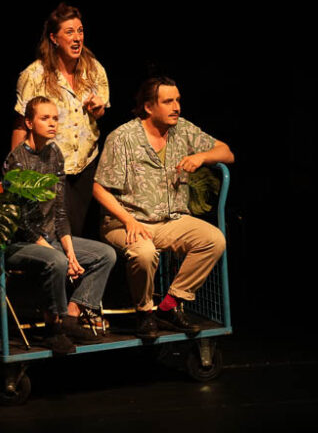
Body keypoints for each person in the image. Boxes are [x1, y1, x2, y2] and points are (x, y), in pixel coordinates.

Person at [92, 76, 234, 338]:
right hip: (126, 221)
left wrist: (201, 157)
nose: (176, 107)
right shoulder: (123, 137)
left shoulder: (182, 130)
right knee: (145, 253)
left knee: (213, 239)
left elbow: (226, 152)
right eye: (168, 101)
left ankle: (169, 306)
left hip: (170, 220)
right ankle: (144, 313)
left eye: (178, 100)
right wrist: (129, 221)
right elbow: (99, 188)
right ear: (148, 107)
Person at [4, 96, 117, 354]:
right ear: (29, 123)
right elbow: (21, 221)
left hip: (51, 237)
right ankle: (53, 329)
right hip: (21, 243)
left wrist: (70, 252)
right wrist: (61, 256)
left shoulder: (54, 153)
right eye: (45, 118)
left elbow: (60, 210)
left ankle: (70, 318)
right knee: (57, 261)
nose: (53, 123)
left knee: (105, 255)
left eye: (55, 118)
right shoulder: (17, 160)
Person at [12, 3, 110, 238]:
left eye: (80, 31)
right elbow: (21, 125)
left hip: (85, 168)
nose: (77, 38)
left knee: (82, 239)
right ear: (54, 38)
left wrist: (98, 109)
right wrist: (17, 172)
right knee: (55, 237)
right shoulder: (34, 75)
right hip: (49, 167)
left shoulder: (93, 70)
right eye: (69, 32)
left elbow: (99, 114)